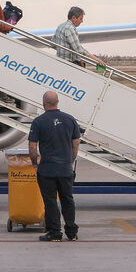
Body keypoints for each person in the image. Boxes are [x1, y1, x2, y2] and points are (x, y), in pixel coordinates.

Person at [28, 91, 81, 242]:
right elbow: (76, 143)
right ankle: (72, 232)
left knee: (50, 201)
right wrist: (69, 160)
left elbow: (32, 146)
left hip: (47, 169)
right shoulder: (70, 119)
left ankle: (55, 233)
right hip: (65, 168)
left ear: (44, 103)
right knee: (67, 199)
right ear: (57, 102)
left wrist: (34, 162)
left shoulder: (39, 121)